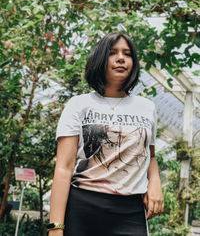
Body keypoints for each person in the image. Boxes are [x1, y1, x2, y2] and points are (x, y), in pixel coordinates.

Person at [47, 33, 164, 236]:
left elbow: (149, 155)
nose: (121, 58)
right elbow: (64, 168)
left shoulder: (146, 107)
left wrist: (155, 183)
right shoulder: (79, 104)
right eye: (112, 53)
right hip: (83, 207)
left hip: (130, 211)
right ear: (100, 59)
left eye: (127, 54)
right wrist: (56, 228)